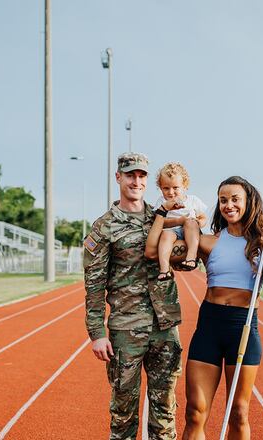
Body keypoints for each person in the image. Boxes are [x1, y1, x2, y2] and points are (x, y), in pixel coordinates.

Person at [145, 175, 263, 440]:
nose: (228, 205)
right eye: (223, 200)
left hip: (242, 328)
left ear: (249, 203)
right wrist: (163, 215)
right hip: (209, 328)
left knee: (239, 412)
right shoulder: (206, 242)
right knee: (195, 412)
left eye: (235, 199)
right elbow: (154, 251)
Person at [83, 152, 183, 440]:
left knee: (165, 408)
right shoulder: (104, 226)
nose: (136, 181)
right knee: (124, 409)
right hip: (126, 330)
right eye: (130, 175)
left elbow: (187, 248)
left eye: (141, 176)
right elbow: (94, 282)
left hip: (164, 327)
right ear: (118, 178)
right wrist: (96, 332)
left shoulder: (161, 218)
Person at [152, 162, 208, 280]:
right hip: (171, 231)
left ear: (185, 186)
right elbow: (160, 221)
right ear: (160, 188)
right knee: (165, 235)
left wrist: (197, 223)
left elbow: (203, 218)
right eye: (166, 188)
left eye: (175, 188)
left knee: (191, 223)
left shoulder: (192, 200)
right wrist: (179, 221)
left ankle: (191, 257)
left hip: (190, 230)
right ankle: (164, 269)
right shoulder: (161, 202)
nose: (171, 192)